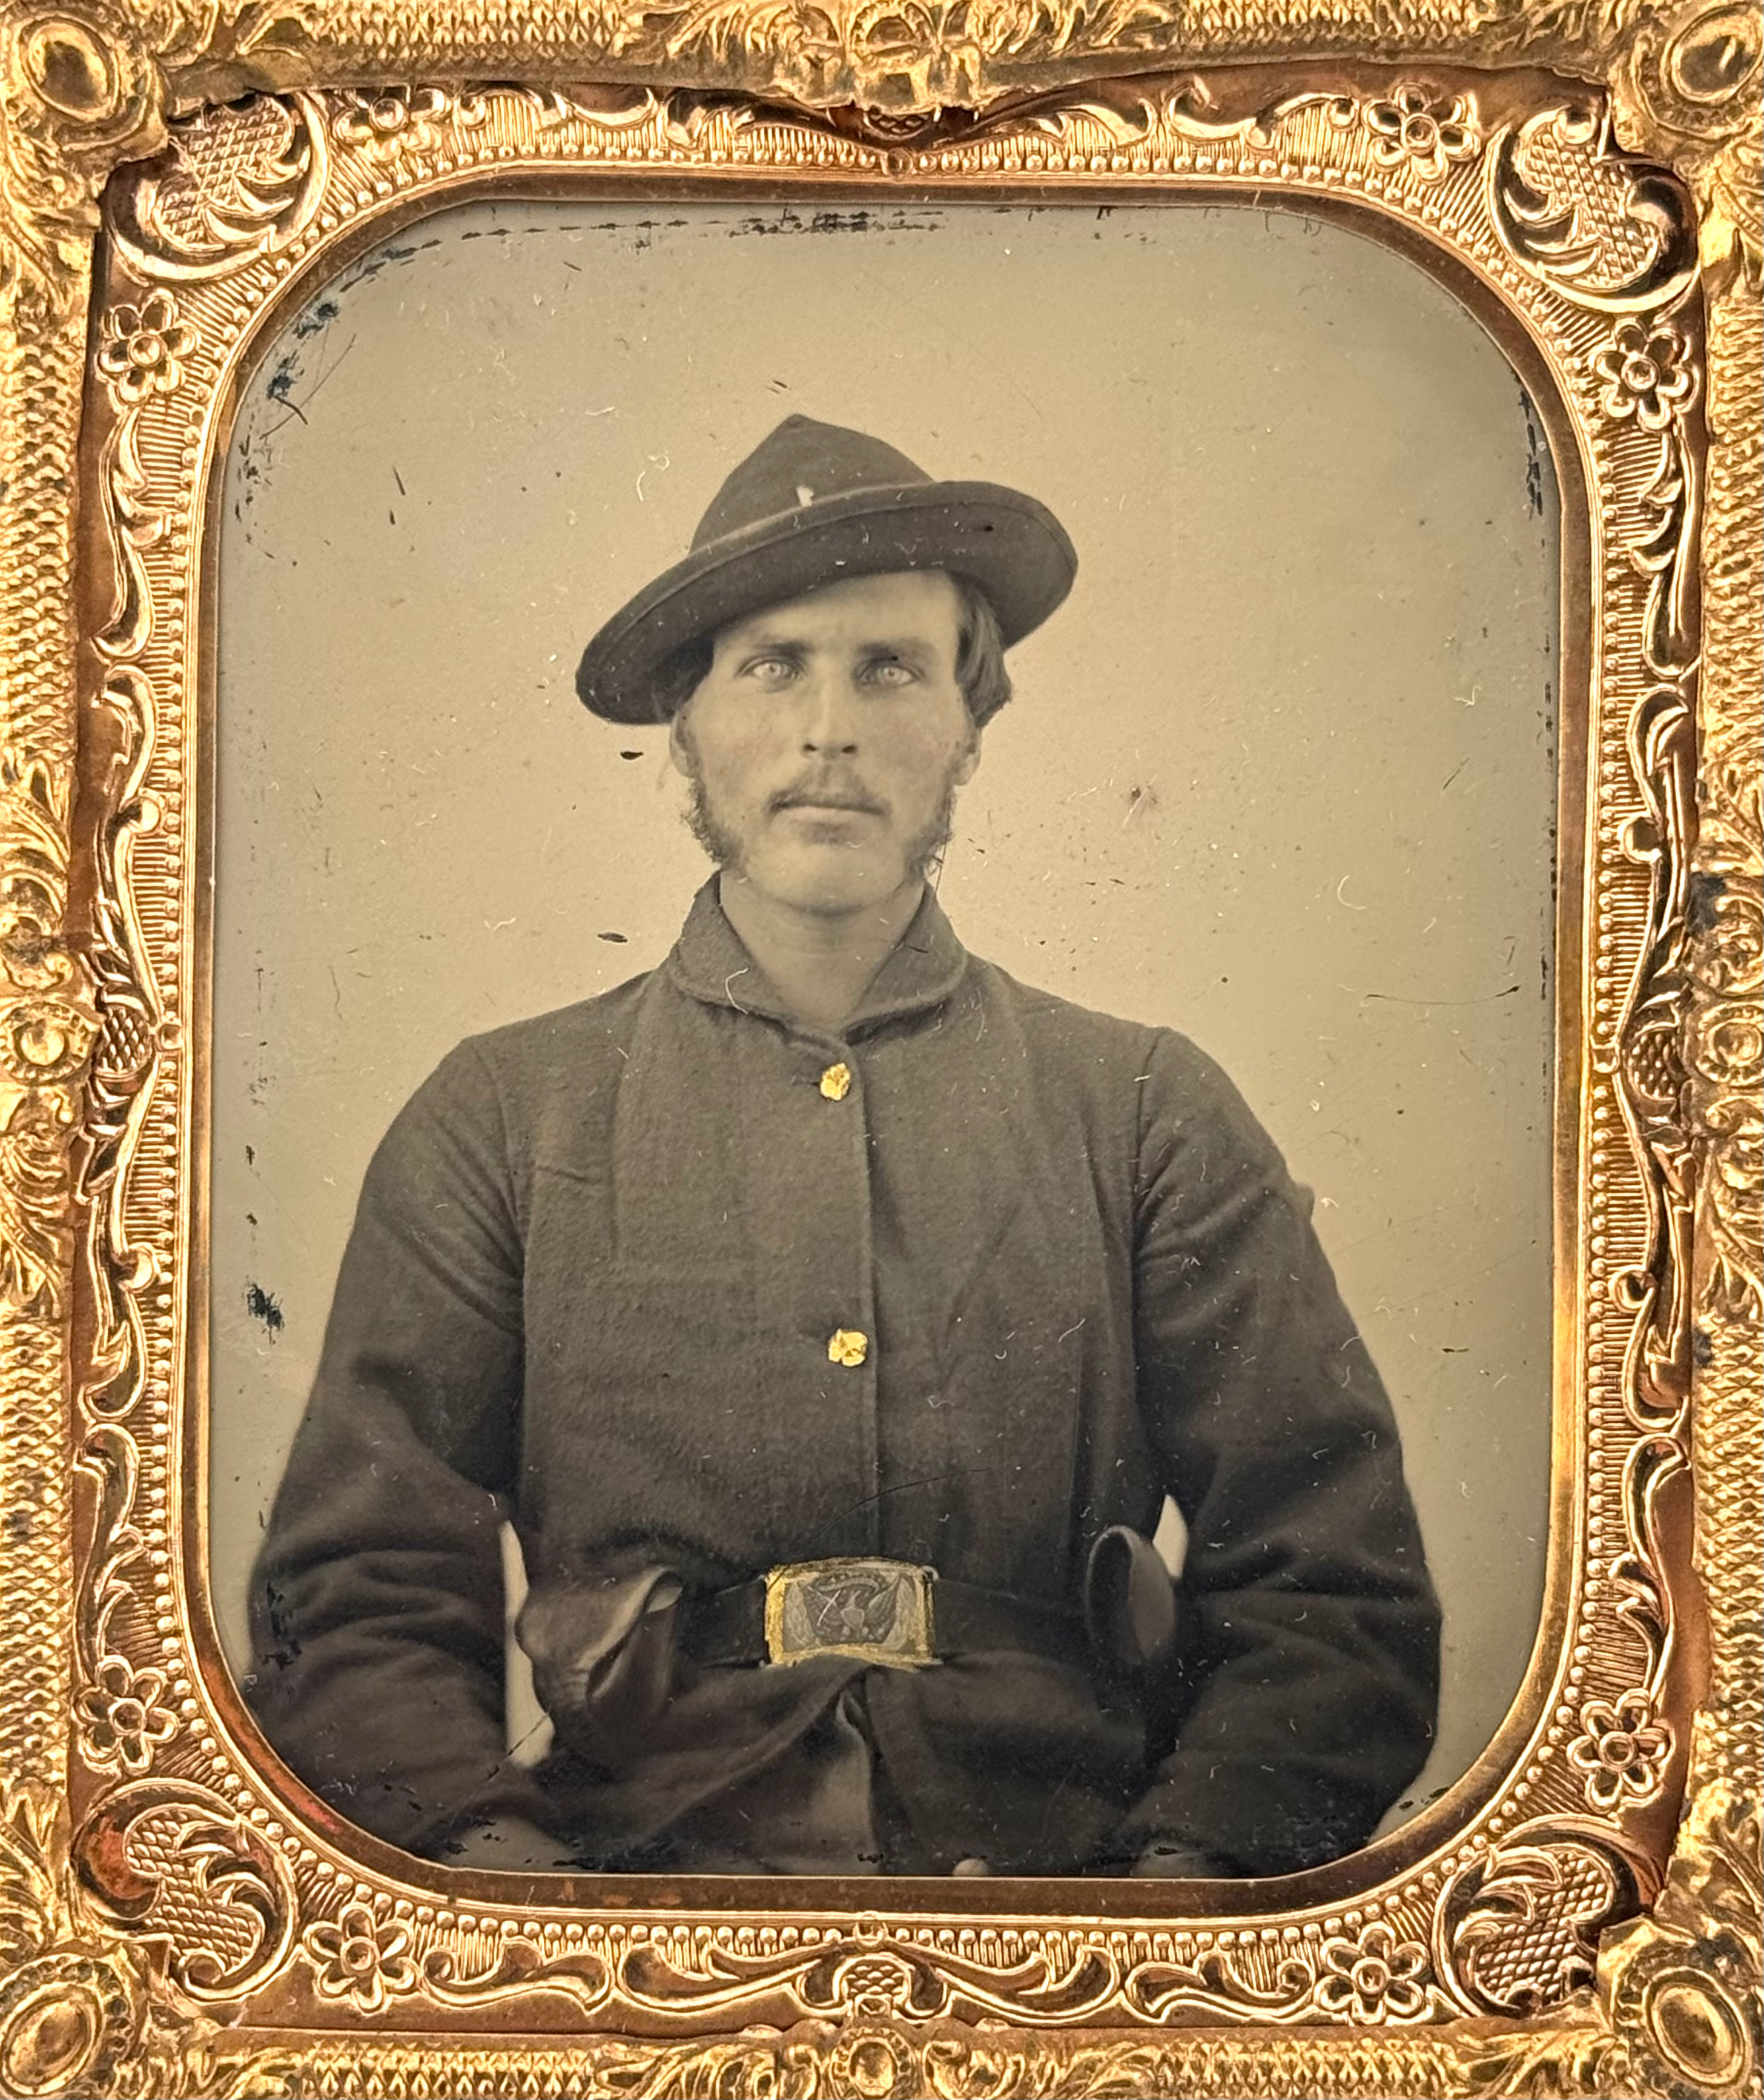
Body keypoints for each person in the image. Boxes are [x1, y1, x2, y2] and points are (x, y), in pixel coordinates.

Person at [248, 416, 1440, 1878]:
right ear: (685, 719)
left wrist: (1164, 1910)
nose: (830, 730)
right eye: (772, 665)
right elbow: (358, 1595)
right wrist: (516, 1899)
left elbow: (1330, 1592)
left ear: (969, 720)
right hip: (630, 1911)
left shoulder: (1145, 1111)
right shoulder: (500, 1117)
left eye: (889, 667)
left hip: (1066, 1915)